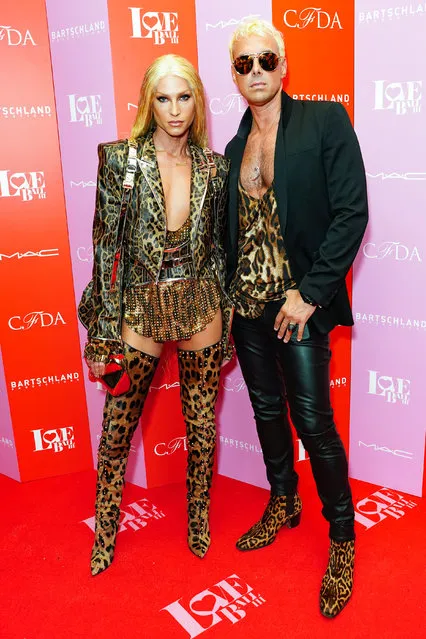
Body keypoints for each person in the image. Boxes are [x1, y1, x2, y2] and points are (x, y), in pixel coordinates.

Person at [225, 19, 368, 618]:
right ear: (235, 76)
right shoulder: (233, 148)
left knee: (314, 421)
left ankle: (341, 537)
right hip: (248, 307)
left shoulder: (324, 121)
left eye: (265, 60)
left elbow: (351, 213)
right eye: (243, 64)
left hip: (297, 304)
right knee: (264, 408)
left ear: (284, 66)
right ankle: (283, 499)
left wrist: (309, 294)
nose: (255, 72)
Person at [79, 54, 232, 576]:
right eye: (163, 98)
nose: (174, 110)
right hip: (139, 303)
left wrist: (223, 307)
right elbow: (104, 249)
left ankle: (197, 521)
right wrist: (101, 336)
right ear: (149, 100)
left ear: (198, 101)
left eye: (184, 97)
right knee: (118, 426)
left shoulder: (214, 166)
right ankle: (104, 535)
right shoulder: (121, 160)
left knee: (202, 424)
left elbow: (216, 248)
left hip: (198, 301)